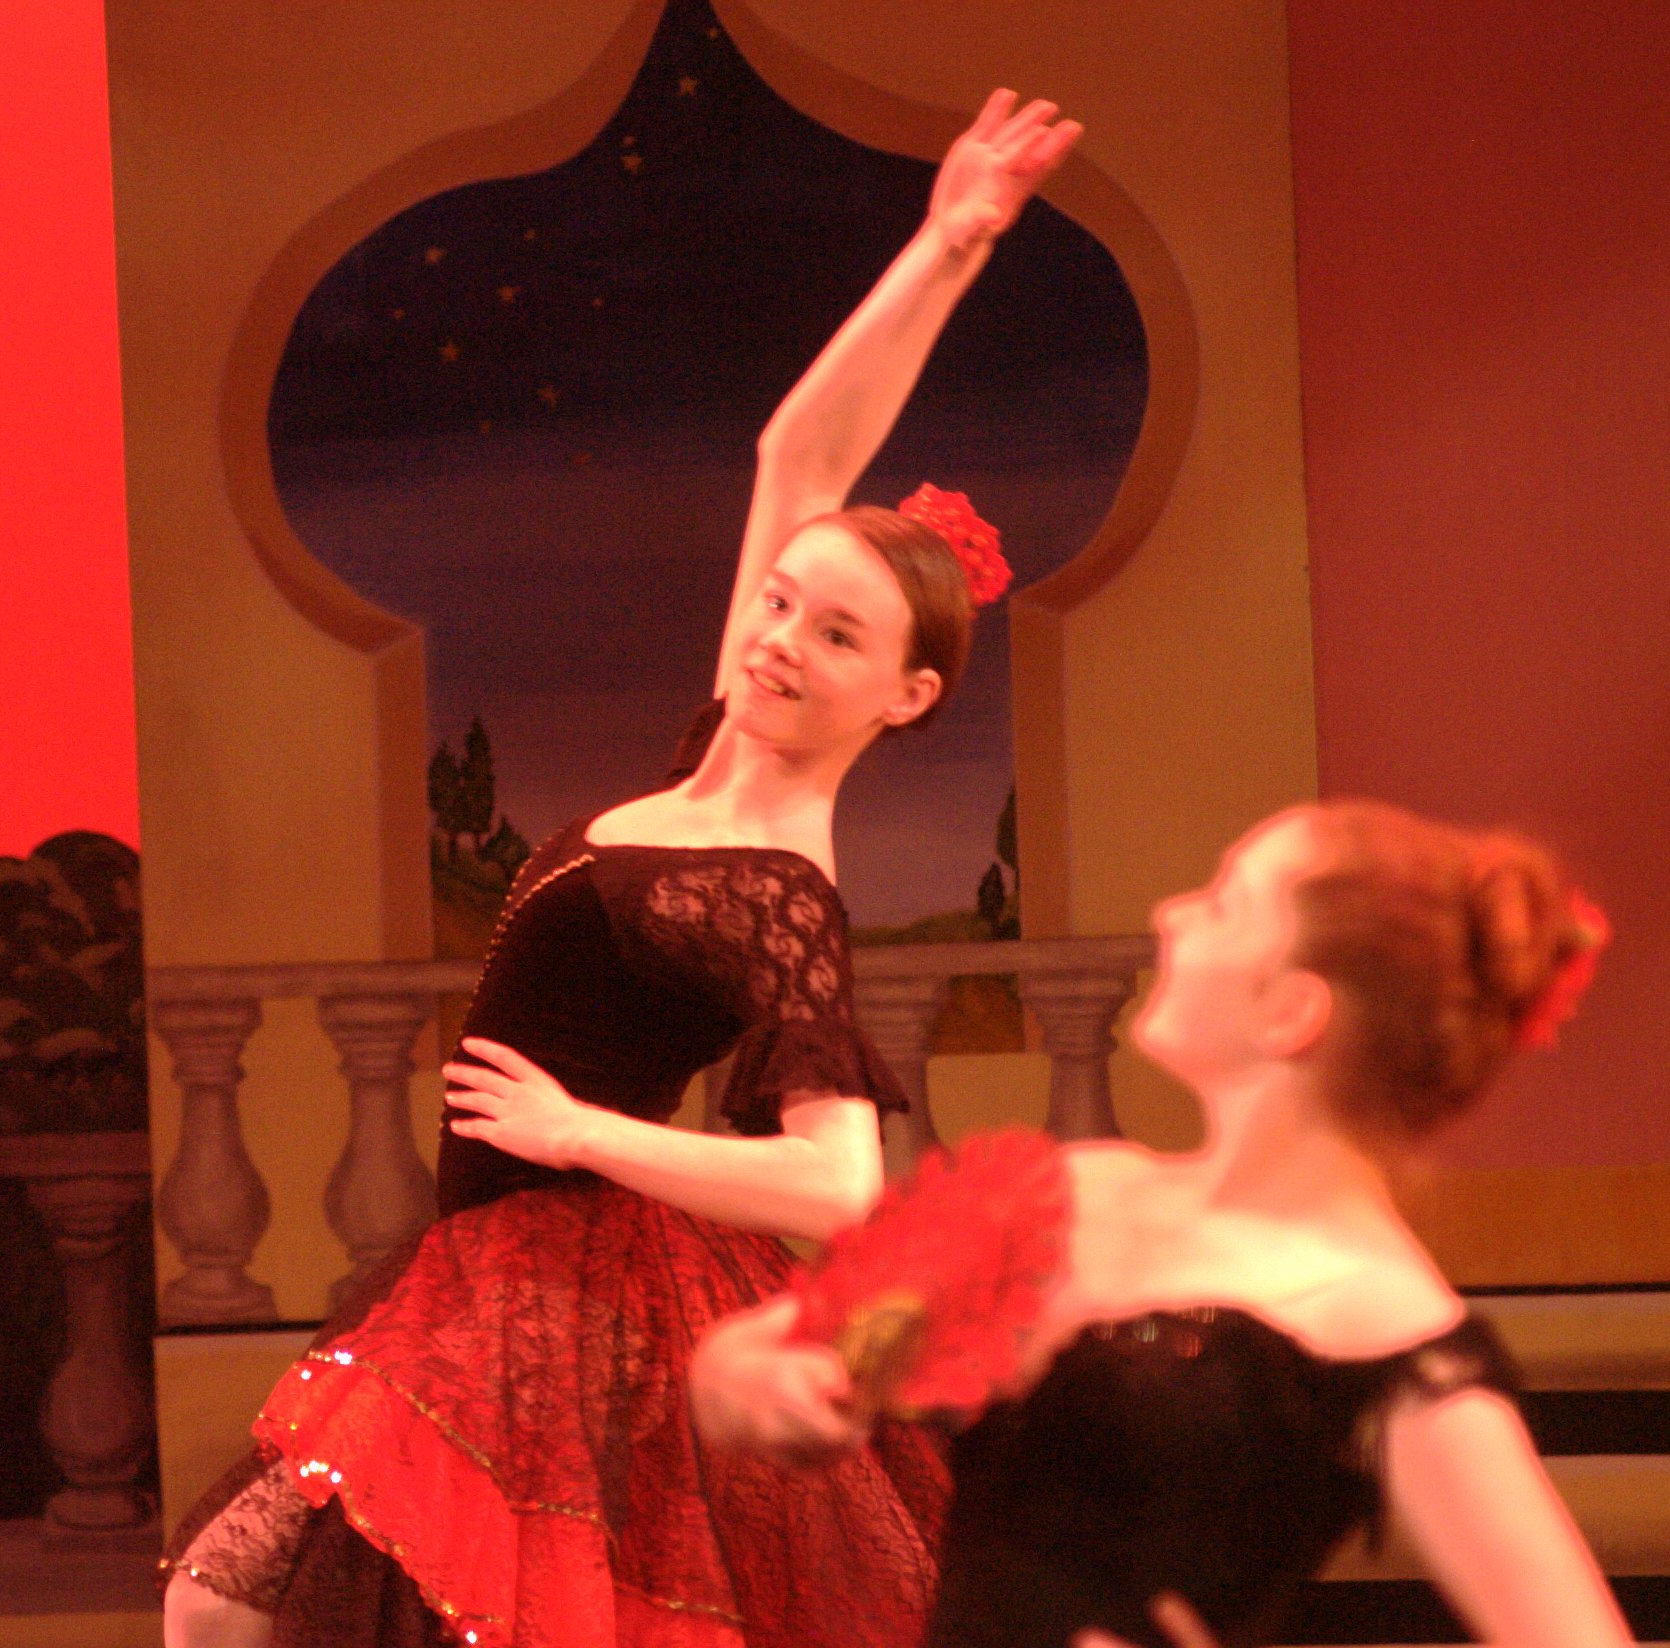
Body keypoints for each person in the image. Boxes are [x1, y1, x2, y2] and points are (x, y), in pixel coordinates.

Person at [162, 90, 1083, 1648]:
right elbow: (802, 447)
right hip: (494, 1265)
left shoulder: (772, 886)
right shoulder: (712, 754)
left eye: (835, 635)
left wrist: (579, 1131)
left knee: (233, 1603)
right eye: (780, 603)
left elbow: (838, 1184)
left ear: (906, 694)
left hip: (566, 1289)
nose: (778, 639)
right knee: (245, 1601)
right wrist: (946, 243)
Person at [689, 800, 1633, 1648]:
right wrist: (766, 1383)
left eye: (1223, 904)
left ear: (1291, 1011)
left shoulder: (1382, 1320)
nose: (1172, 915)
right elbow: (751, 1357)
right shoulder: (1073, 1191)